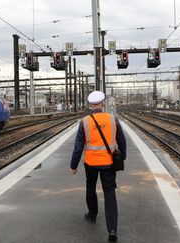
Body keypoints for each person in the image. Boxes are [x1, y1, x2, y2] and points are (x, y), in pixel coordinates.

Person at [70, 91, 126, 242]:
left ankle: (92, 214)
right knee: (109, 193)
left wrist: (73, 165)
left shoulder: (85, 122)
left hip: (91, 163)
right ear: (102, 103)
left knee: (90, 187)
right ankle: (112, 229)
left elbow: (78, 147)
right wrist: (122, 158)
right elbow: (122, 141)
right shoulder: (113, 119)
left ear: (90, 105)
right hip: (108, 163)